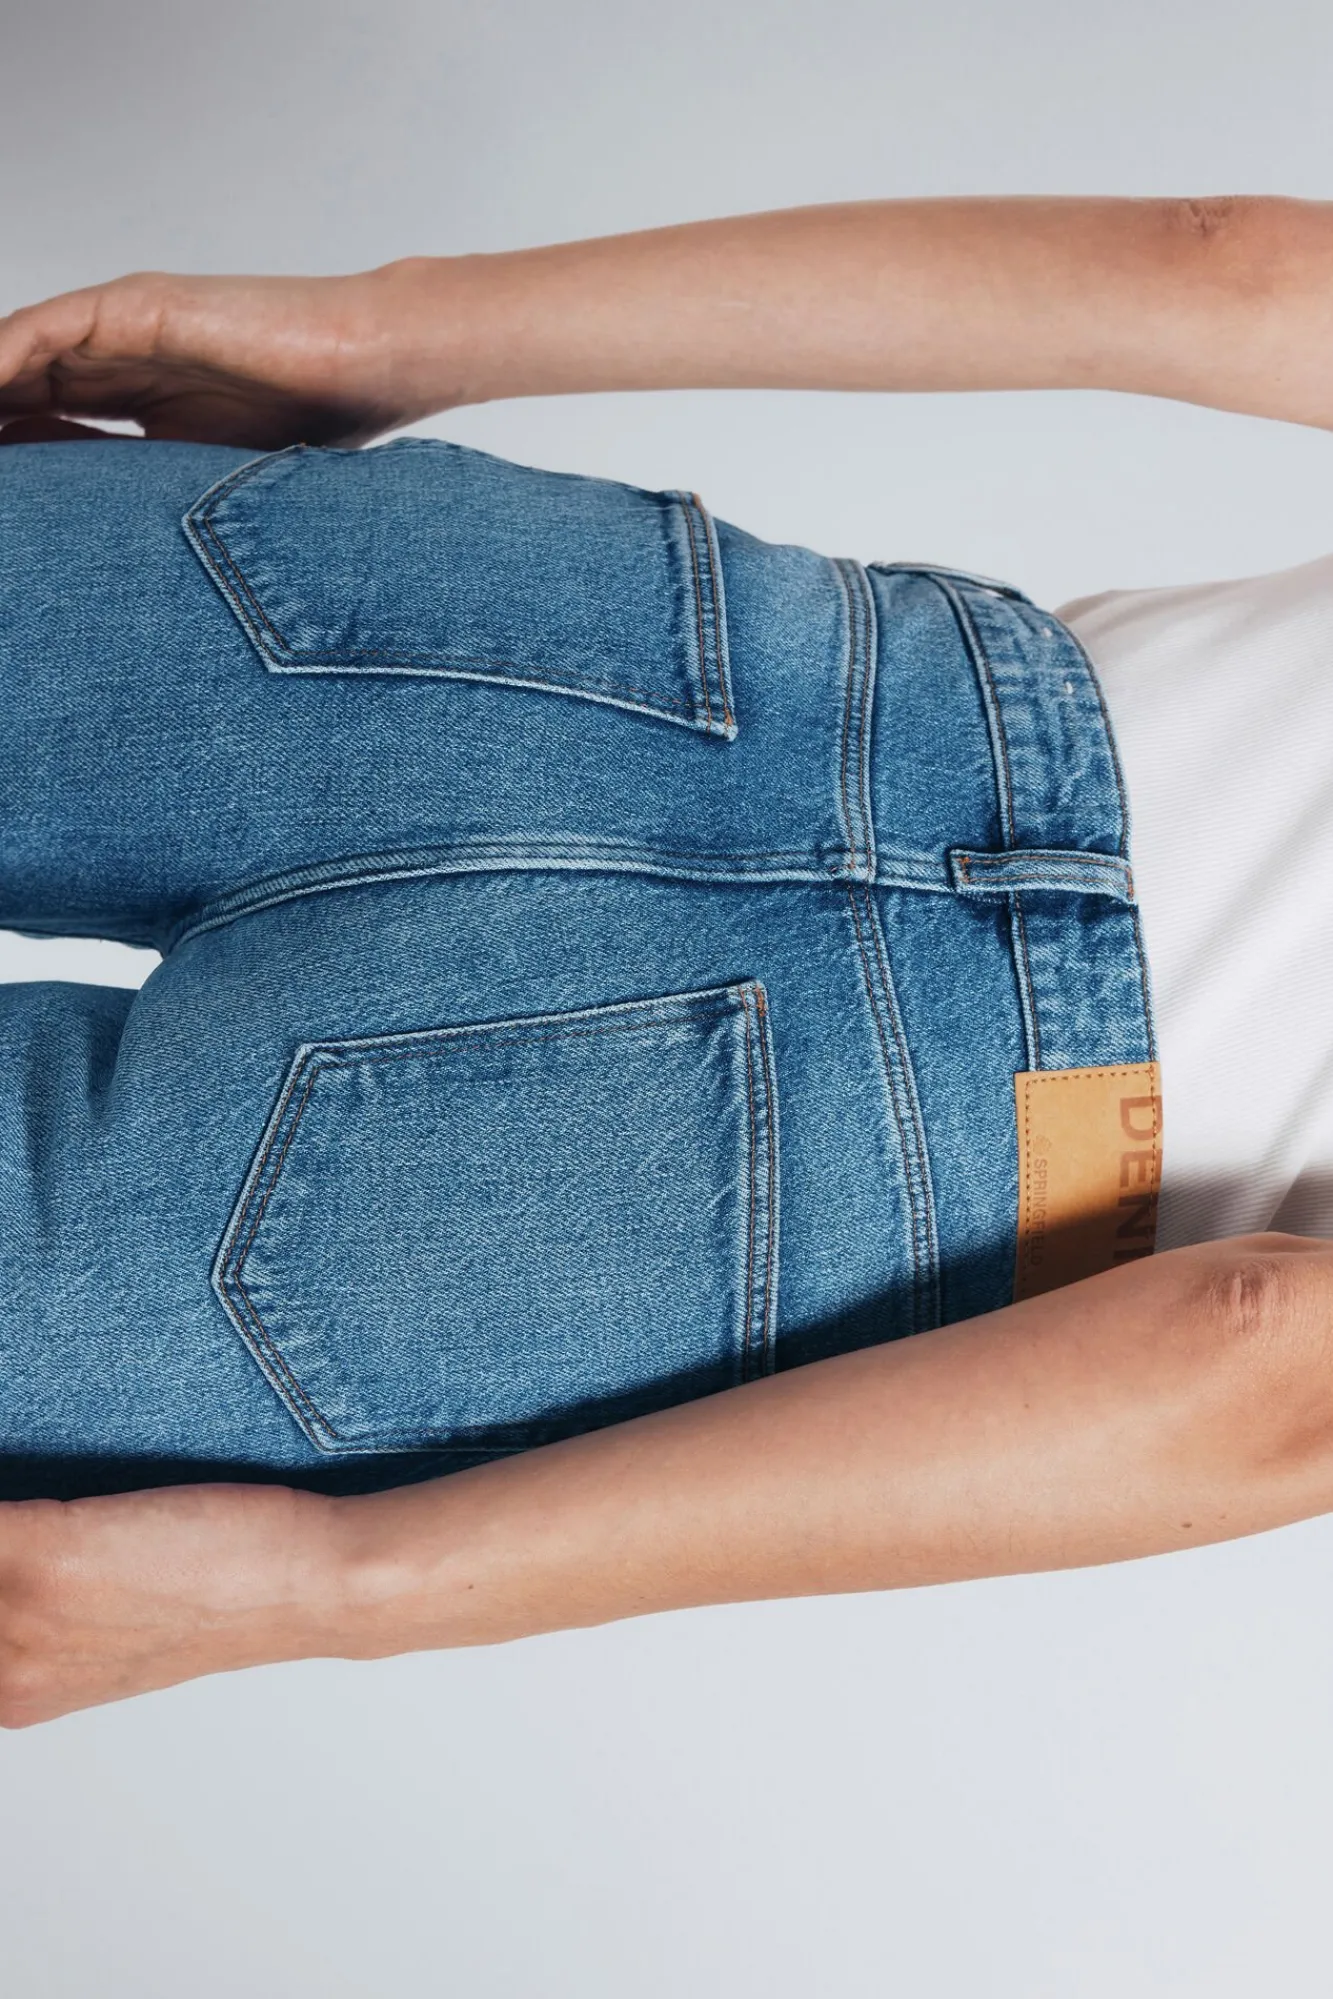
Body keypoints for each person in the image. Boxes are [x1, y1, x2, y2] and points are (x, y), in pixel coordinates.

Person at [2, 193, 1332, 1728]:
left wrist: (381, 329)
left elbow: (1232, 271)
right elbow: (1266, 1354)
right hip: (791, 1165)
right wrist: (336, 1584)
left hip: (727, 667)